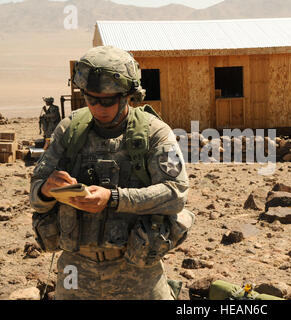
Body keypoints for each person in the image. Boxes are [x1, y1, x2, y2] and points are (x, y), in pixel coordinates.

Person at [29, 46, 194, 300]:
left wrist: (113, 198)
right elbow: (35, 194)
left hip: (137, 273)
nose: (98, 107)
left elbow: (175, 193)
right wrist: (47, 189)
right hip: (76, 270)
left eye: (107, 100)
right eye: (90, 99)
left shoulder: (154, 133)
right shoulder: (69, 131)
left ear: (130, 95)